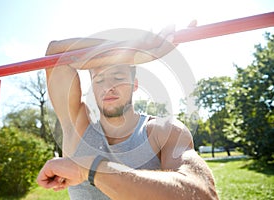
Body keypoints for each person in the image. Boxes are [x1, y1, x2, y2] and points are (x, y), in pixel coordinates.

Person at [37, 27, 219, 200]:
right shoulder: (77, 128)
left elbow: (202, 195)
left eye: (118, 77)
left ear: (135, 84)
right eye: (99, 79)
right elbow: (55, 52)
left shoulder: (164, 131)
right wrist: (137, 48)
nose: (108, 87)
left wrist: (90, 170)